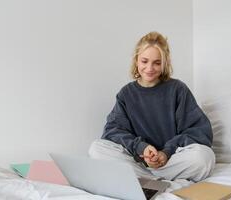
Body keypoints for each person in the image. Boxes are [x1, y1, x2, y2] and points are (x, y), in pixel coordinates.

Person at [88, 31, 215, 182]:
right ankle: (150, 178)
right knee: (96, 149)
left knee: (204, 157)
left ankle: (143, 179)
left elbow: (199, 131)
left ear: (165, 63)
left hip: (172, 161)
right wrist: (141, 147)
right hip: (139, 162)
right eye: (144, 61)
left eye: (157, 63)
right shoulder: (126, 93)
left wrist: (166, 152)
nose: (149, 68)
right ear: (136, 61)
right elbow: (113, 131)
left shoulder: (177, 89)